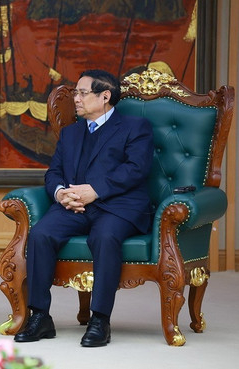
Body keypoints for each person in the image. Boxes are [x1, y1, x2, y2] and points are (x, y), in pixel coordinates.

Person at [14, 69, 153, 347]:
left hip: (117, 206)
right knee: (41, 234)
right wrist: (61, 193)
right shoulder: (71, 133)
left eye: (82, 93)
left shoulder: (135, 127)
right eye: (75, 93)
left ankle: (99, 320)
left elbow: (136, 169)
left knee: (104, 237)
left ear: (105, 96)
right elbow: (54, 173)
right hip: (74, 206)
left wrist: (95, 190)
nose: (75, 98)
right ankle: (40, 316)